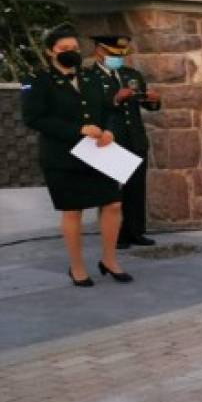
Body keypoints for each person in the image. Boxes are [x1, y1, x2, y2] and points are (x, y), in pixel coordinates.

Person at [21, 24, 132, 286]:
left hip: (97, 153)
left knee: (113, 203)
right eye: (64, 49)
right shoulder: (37, 81)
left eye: (74, 48)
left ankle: (109, 260)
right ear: (50, 52)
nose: (71, 52)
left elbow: (108, 109)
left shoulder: (92, 77)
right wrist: (77, 130)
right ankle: (77, 267)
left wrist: (108, 131)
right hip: (62, 157)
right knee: (73, 212)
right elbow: (34, 118)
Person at [84, 34, 161, 249]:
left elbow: (143, 103)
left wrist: (154, 101)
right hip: (110, 140)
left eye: (121, 55)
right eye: (112, 54)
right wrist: (116, 99)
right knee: (111, 190)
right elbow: (91, 109)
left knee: (136, 188)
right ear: (99, 50)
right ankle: (114, 234)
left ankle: (135, 231)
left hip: (134, 138)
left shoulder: (131, 74)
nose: (118, 58)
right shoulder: (89, 78)